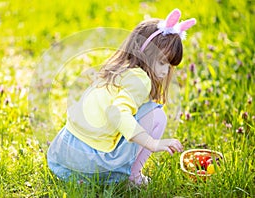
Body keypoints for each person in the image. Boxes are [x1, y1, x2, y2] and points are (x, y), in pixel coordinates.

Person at [47, 8, 196, 185]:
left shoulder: (118, 69)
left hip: (64, 154)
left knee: (140, 110)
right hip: (90, 162)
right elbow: (117, 113)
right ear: (146, 54)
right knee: (156, 115)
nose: (165, 71)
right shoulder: (141, 79)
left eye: (169, 65)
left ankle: (82, 177)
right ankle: (133, 177)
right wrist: (153, 143)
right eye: (162, 62)